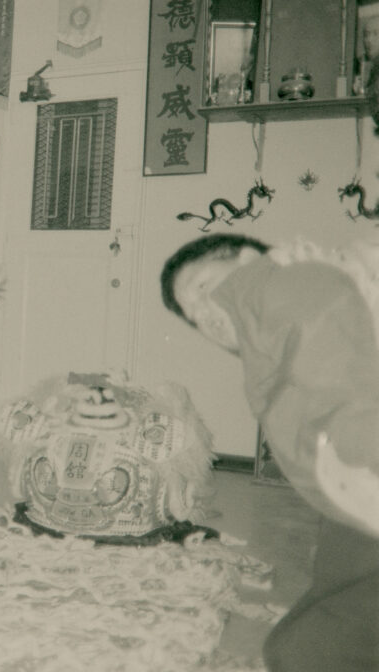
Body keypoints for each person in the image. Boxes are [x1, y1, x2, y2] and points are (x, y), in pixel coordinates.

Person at [160, 232, 379, 671]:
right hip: (357, 500)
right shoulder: (272, 345)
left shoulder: (285, 287)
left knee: (305, 650)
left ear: (246, 259)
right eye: (193, 315)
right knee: (307, 631)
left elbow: (349, 401)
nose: (205, 313)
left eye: (203, 288)